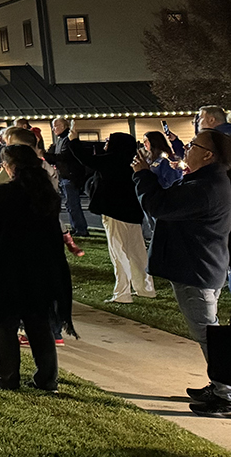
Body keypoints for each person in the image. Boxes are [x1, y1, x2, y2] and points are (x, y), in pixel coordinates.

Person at [133, 128, 231, 415]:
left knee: (208, 334)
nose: (186, 148)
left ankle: (225, 394)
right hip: (204, 265)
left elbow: (158, 206)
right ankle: (219, 385)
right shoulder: (210, 181)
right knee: (209, 331)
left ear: (208, 155)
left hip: (196, 269)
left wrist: (142, 175)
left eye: (193, 145)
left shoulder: (205, 187)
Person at [0, 145, 75, 392]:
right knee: (38, 322)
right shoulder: (45, 193)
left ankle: (8, 377)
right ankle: (47, 378)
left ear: (12, 167)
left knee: (5, 323)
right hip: (39, 267)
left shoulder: (6, 194)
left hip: (8, 268)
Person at [88, 132, 154, 304]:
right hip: (132, 214)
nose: (105, 144)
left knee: (119, 253)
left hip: (114, 213)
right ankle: (145, 289)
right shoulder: (132, 161)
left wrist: (73, 140)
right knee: (137, 253)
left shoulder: (111, 161)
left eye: (109, 141)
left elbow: (85, 160)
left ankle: (122, 293)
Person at [43, 117, 92, 237]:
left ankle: (81, 229)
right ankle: (76, 227)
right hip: (65, 175)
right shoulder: (61, 140)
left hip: (70, 176)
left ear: (63, 126)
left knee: (73, 204)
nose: (53, 129)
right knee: (70, 204)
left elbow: (63, 157)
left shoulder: (67, 140)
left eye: (55, 126)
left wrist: (44, 155)